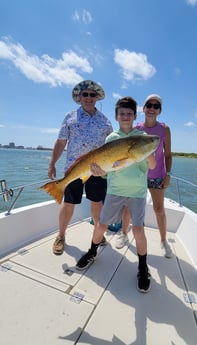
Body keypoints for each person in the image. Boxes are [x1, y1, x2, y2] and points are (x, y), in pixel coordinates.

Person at [76, 96, 156, 293]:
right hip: (115, 190)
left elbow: (153, 166)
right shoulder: (111, 138)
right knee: (101, 224)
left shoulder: (143, 137)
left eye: (129, 114)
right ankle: (92, 252)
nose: (126, 117)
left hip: (137, 191)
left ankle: (143, 267)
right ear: (117, 116)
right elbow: (107, 169)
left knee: (138, 230)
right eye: (122, 114)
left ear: (134, 116)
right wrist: (99, 171)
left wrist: (149, 152)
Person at [48, 80, 113, 255]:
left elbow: (111, 147)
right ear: (79, 97)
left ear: (97, 98)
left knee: (97, 203)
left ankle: (98, 234)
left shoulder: (105, 121)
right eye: (85, 94)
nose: (89, 98)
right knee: (68, 203)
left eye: (93, 95)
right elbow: (61, 142)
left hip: (98, 171)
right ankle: (61, 236)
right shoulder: (70, 117)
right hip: (74, 169)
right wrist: (52, 163)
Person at [115, 94, 173, 258]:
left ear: (159, 111)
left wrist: (168, 174)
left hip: (157, 175)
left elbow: (167, 155)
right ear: (144, 108)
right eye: (149, 105)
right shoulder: (136, 129)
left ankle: (163, 241)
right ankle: (124, 234)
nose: (152, 109)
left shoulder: (164, 129)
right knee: (128, 207)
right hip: (138, 175)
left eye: (156, 106)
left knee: (159, 209)